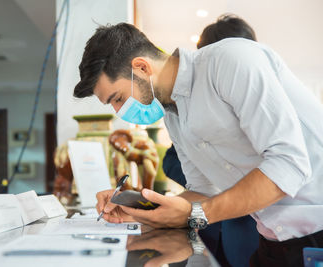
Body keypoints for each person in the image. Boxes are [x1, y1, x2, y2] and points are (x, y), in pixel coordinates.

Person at [73, 16, 323, 266]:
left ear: (141, 68)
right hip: (276, 240)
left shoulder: (230, 61)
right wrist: (139, 207)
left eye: (118, 98)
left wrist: (198, 214)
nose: (119, 111)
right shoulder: (173, 116)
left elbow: (289, 164)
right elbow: (204, 190)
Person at [162, 14, 259, 267]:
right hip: (222, 226)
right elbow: (173, 161)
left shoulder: (258, 100)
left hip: (258, 225)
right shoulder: (184, 112)